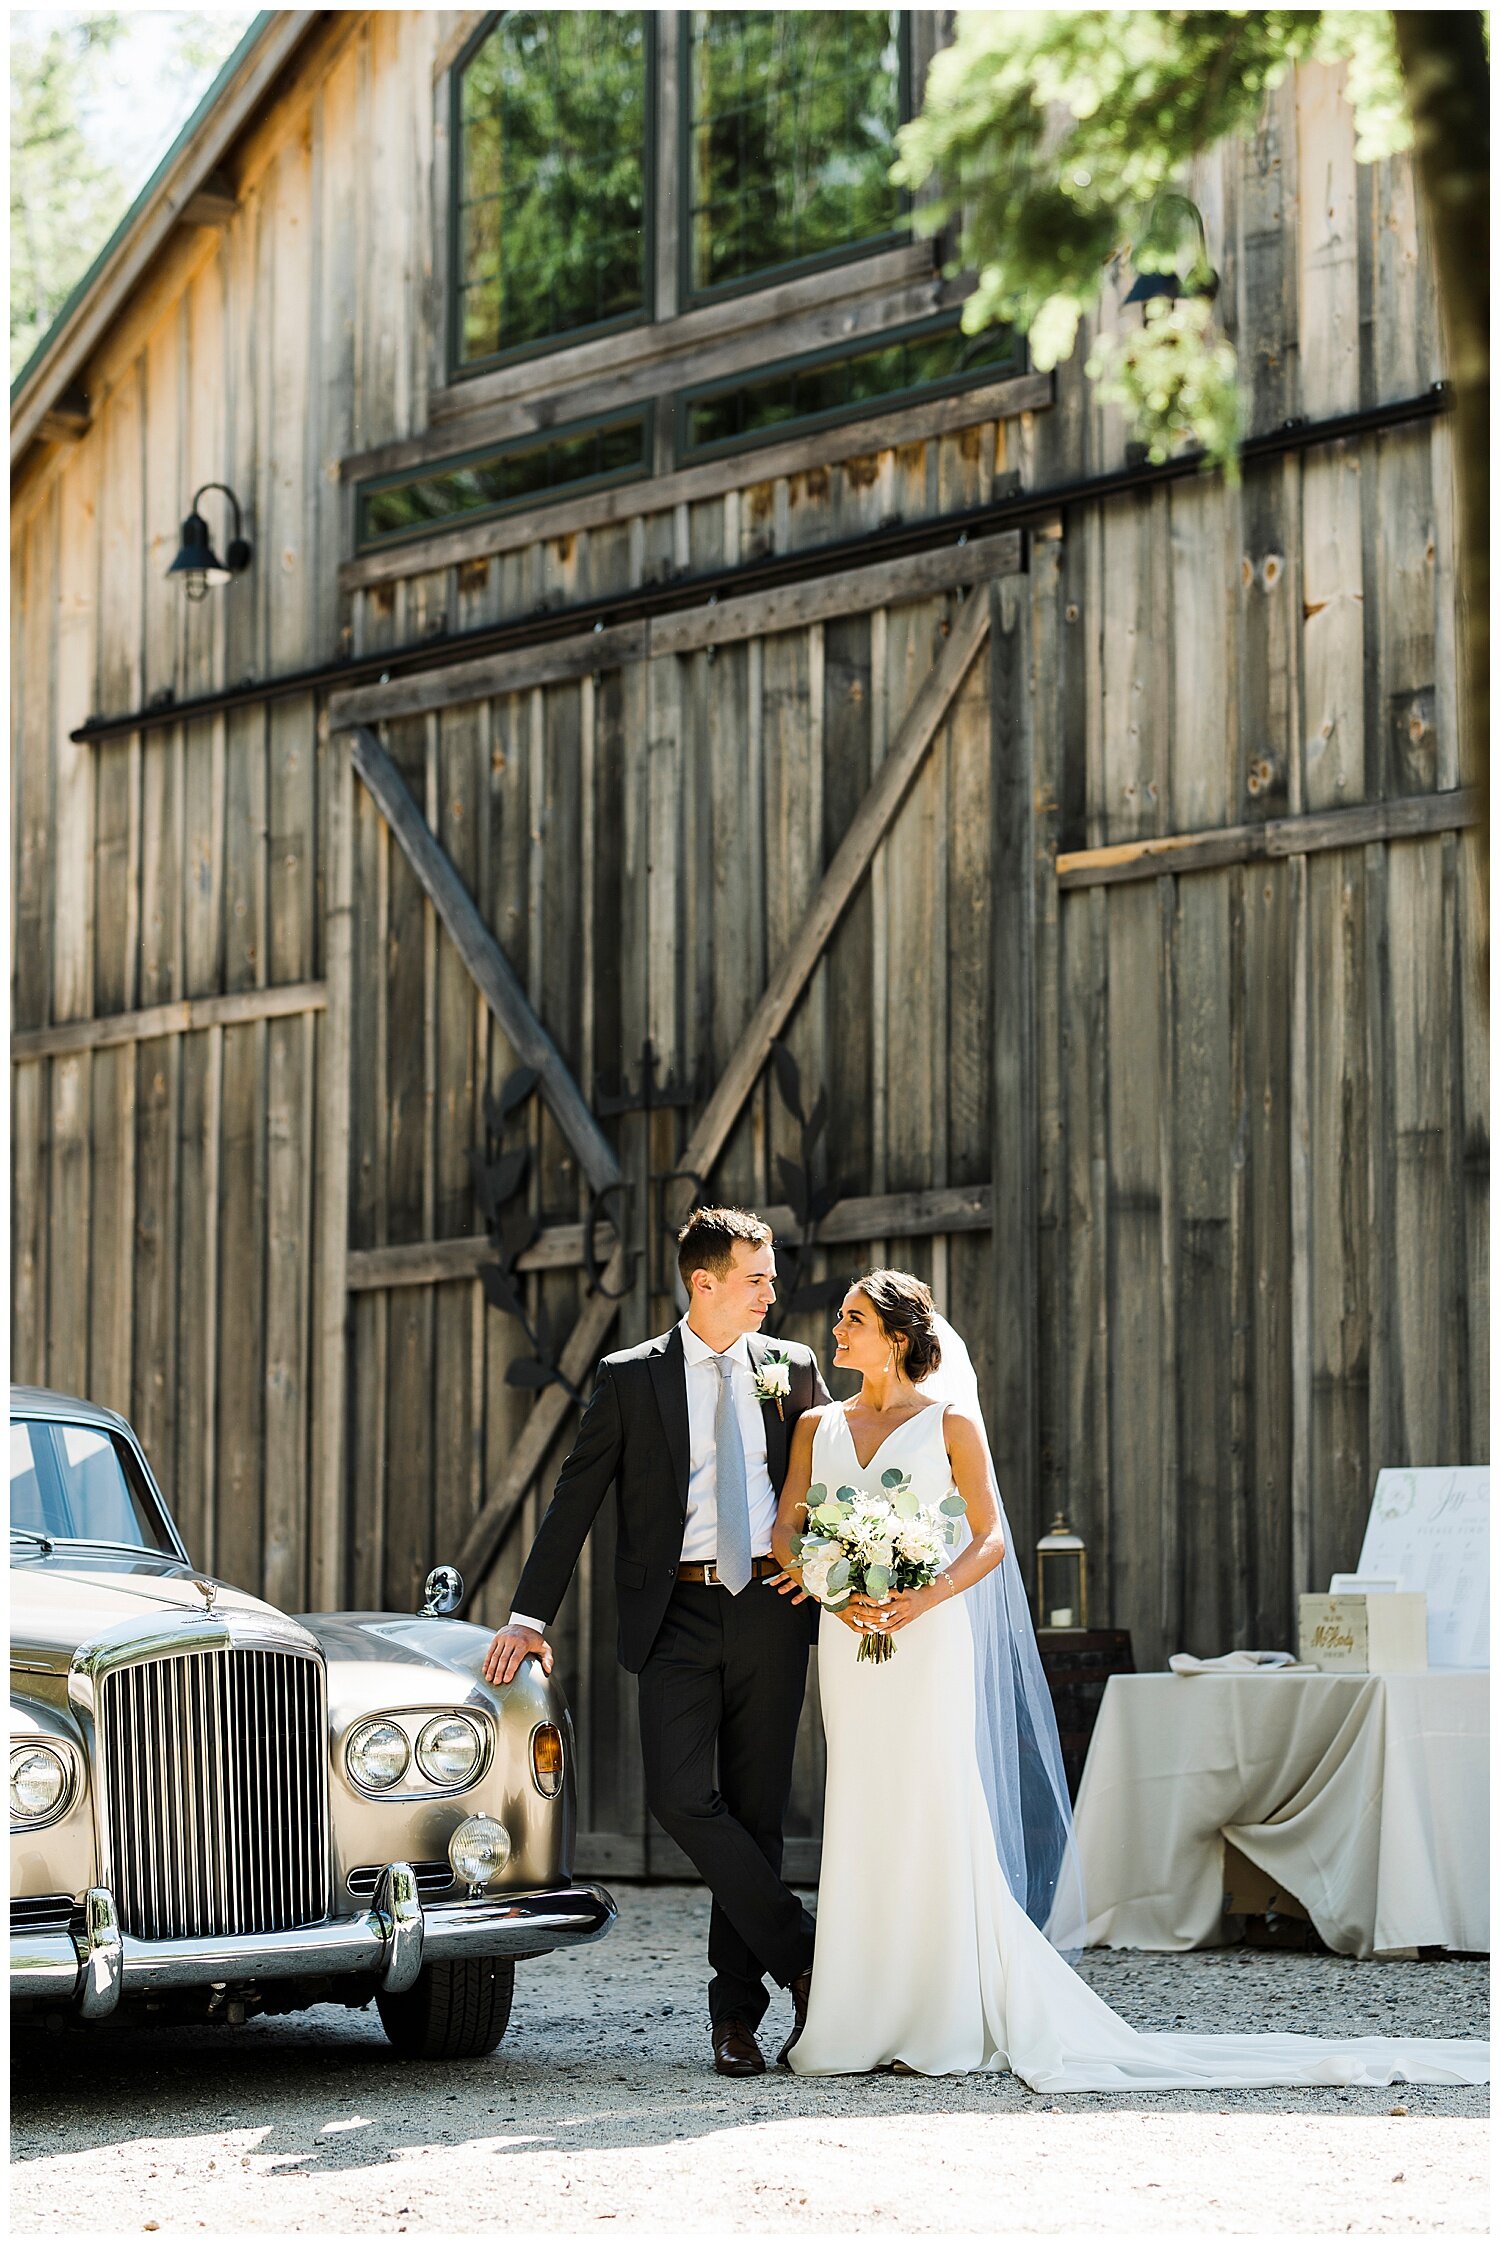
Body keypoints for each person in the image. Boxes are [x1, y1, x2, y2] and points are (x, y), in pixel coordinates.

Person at [772, 1268, 1490, 2092]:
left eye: (853, 1319)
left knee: (932, 1802)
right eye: (840, 1319)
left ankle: (940, 2011)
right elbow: (791, 1522)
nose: (837, 1330)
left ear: (898, 1337)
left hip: (925, 1638)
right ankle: (857, 2013)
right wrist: (831, 1584)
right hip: (848, 1637)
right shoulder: (817, 1425)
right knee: (862, 1802)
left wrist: (918, 1598)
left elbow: (990, 1539)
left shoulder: (949, 1425)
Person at [482, 1207, 830, 2078]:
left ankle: (736, 2022)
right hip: (673, 1613)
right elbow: (575, 1496)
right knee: (681, 1797)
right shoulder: (630, 1378)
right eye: (757, 1278)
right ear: (702, 1282)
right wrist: (528, 1616)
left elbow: (830, 1482)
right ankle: (807, 1956)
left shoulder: (791, 1369)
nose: (771, 1293)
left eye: (771, 1278)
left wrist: (831, 1567)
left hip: (770, 1609)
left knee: (755, 1814)